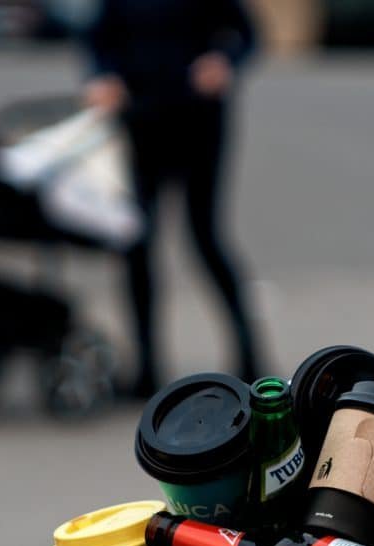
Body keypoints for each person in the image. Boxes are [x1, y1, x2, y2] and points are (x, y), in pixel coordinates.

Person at [83, 0, 263, 397]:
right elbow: (98, 38)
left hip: (198, 120)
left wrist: (222, 61)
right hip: (140, 120)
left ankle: (251, 356)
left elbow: (247, 33)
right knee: (136, 242)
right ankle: (147, 366)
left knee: (205, 238)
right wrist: (102, 76)